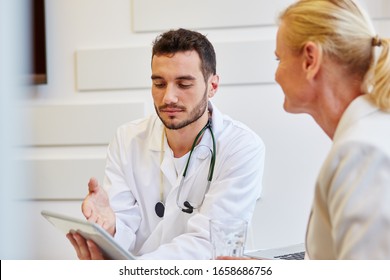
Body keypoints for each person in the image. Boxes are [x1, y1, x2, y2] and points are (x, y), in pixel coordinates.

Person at [67, 28, 265, 259]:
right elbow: (124, 228)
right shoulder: (127, 139)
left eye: (183, 84)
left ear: (212, 86)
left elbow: (209, 243)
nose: (168, 97)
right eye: (159, 84)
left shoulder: (241, 146)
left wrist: (133, 269)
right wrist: (110, 227)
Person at [274, 0, 390, 259]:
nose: (276, 74)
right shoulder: (369, 133)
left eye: (279, 58)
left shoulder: (362, 152)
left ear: (310, 60)